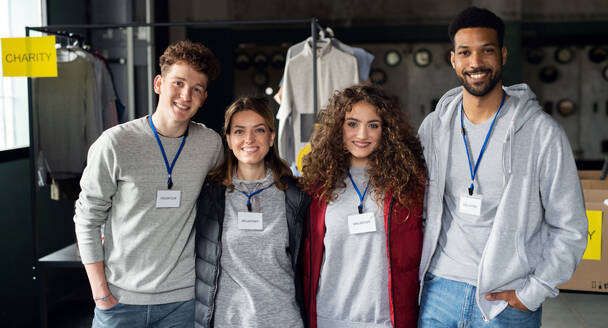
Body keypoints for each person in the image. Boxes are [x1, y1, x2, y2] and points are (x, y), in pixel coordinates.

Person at [417, 7, 588, 328]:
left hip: (507, 299)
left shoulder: (541, 132)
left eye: (487, 50)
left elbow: (571, 226)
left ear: (503, 55)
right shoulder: (433, 128)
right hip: (439, 292)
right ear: (453, 60)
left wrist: (534, 291)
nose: (476, 62)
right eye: (465, 52)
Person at [73, 40, 223, 327]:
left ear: (203, 98)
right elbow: (87, 218)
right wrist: (100, 293)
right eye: (178, 83)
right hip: (119, 301)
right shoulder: (115, 143)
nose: (185, 95)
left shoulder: (210, 145)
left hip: (182, 301)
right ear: (159, 84)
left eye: (196, 89)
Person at [301, 84, 427, 328]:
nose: (362, 135)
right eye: (352, 123)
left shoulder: (408, 184)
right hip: (329, 317)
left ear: (387, 130)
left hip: (386, 319)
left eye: (373, 125)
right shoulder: (318, 185)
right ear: (338, 127)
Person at [194, 97, 310, 328]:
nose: (249, 139)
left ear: (271, 137)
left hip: (284, 320)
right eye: (239, 131)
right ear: (228, 139)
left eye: (259, 130)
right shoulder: (209, 194)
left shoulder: (295, 195)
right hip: (227, 321)